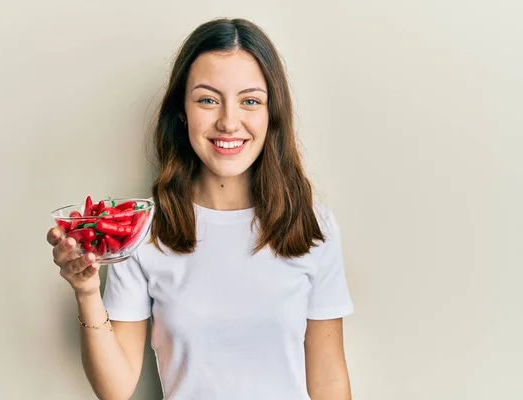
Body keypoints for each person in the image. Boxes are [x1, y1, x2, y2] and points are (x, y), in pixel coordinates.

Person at [47, 17, 354, 400]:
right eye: (208, 99)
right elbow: (116, 388)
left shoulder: (313, 225)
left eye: (250, 101)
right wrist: (87, 292)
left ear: (271, 113)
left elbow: (329, 382)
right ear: (182, 112)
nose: (228, 122)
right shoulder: (142, 229)